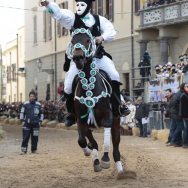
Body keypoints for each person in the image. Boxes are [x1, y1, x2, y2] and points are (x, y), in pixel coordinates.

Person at [40, 0, 126, 126]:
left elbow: (111, 30)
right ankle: (71, 114)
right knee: (68, 86)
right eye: (78, 5)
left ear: (89, 6)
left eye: (82, 5)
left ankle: (119, 106)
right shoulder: (72, 18)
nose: (79, 7)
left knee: (114, 75)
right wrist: (49, 4)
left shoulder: (98, 19)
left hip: (97, 57)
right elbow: (59, 14)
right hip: (79, 60)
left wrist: (102, 37)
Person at [180, 83, 188, 148]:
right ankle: (185, 143)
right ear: (184, 88)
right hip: (186, 116)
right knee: (186, 129)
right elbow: (184, 108)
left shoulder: (185, 95)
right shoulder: (183, 95)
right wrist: (186, 116)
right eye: (186, 87)